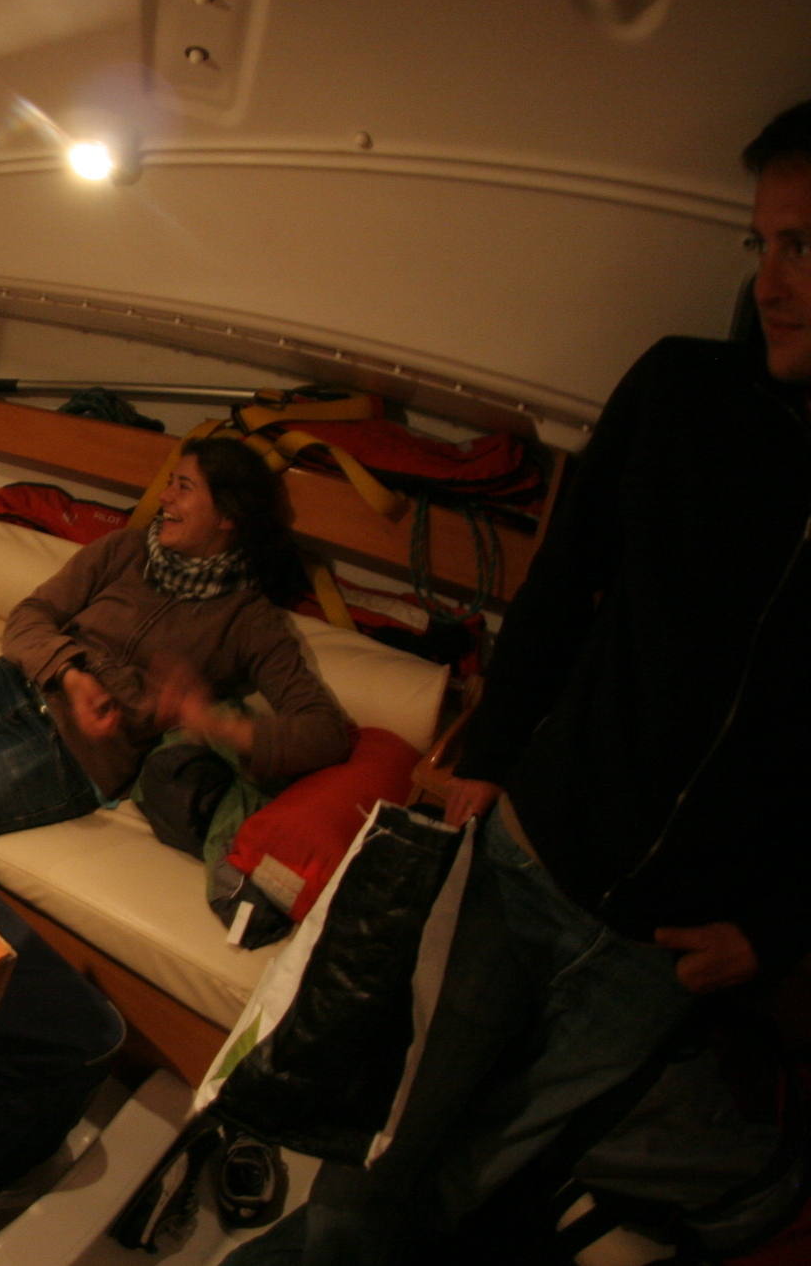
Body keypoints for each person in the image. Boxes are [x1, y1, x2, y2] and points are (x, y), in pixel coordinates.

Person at [223, 99, 811, 1264]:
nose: (769, 284)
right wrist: (484, 760)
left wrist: (780, 930)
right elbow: (559, 587)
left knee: (469, 1197)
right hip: (527, 857)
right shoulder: (680, 390)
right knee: (380, 1155)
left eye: (803, 246)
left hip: (662, 951)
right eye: (761, 244)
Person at [0, 437, 352, 843]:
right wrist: (71, 675)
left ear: (228, 515)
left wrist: (214, 722)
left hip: (74, 757)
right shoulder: (125, 550)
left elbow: (327, 733)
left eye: (184, 487)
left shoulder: (251, 621)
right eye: (170, 483)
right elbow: (30, 616)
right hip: (10, 683)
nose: (164, 498)